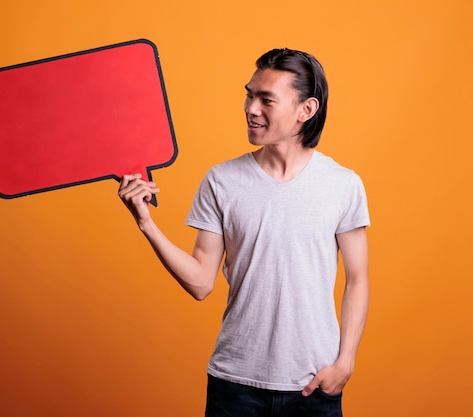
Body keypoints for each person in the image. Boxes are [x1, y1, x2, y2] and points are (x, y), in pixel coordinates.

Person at [118, 48, 370, 417]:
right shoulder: (222, 181)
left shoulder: (342, 185)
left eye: (266, 99)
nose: (251, 108)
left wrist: (345, 362)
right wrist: (146, 223)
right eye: (250, 95)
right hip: (235, 386)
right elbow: (201, 282)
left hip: (314, 386)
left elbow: (358, 280)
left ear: (307, 110)